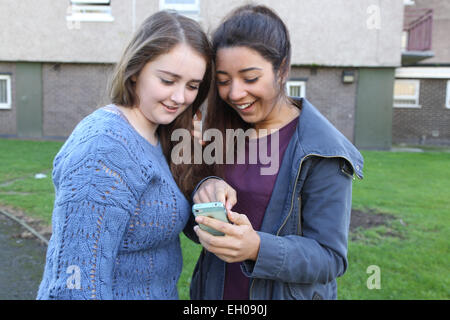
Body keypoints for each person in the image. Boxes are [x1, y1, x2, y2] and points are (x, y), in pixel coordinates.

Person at [185, 4, 364, 300]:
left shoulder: (323, 152)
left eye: (250, 78)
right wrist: (204, 186)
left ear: (282, 70)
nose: (234, 93)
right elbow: (193, 228)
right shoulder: (225, 131)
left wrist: (257, 248)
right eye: (223, 81)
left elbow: (331, 259)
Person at [37, 10, 212, 300]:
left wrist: (208, 187)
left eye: (192, 86)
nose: (180, 97)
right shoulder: (105, 148)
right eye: (168, 81)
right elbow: (75, 282)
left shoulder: (159, 134)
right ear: (135, 72)